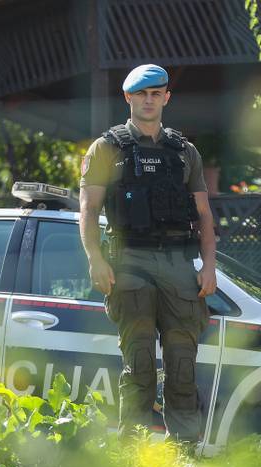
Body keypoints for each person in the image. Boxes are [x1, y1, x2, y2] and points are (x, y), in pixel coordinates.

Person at [78, 64, 217, 444]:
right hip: (130, 263)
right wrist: (95, 257)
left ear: (166, 97)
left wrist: (209, 266)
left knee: (183, 366)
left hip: (178, 266)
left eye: (156, 93)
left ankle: (185, 453)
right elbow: (88, 208)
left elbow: (204, 214)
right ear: (128, 97)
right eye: (141, 93)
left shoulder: (185, 152)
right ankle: (134, 454)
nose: (149, 100)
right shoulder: (106, 147)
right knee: (138, 366)